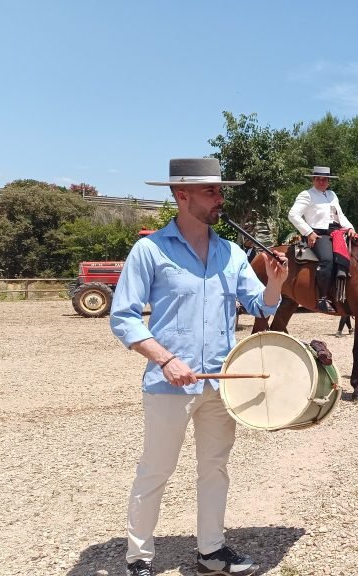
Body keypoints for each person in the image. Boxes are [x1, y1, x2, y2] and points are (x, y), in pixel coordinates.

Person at [110, 158, 288, 576]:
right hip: (168, 383)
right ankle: (139, 558)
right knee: (155, 470)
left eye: (220, 190)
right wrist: (166, 360)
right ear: (182, 195)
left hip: (220, 382)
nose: (219, 198)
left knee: (215, 469)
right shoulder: (150, 250)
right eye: (211, 191)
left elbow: (260, 306)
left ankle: (211, 552)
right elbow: (124, 317)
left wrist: (276, 283)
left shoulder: (231, 253)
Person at [287, 166, 358, 312]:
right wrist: (308, 232)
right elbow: (292, 214)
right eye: (318, 179)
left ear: (328, 181)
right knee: (327, 259)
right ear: (313, 180)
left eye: (325, 179)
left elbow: (340, 215)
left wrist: (350, 228)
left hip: (338, 232)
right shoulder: (307, 195)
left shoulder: (332, 195)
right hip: (319, 234)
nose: (322, 182)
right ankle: (322, 298)